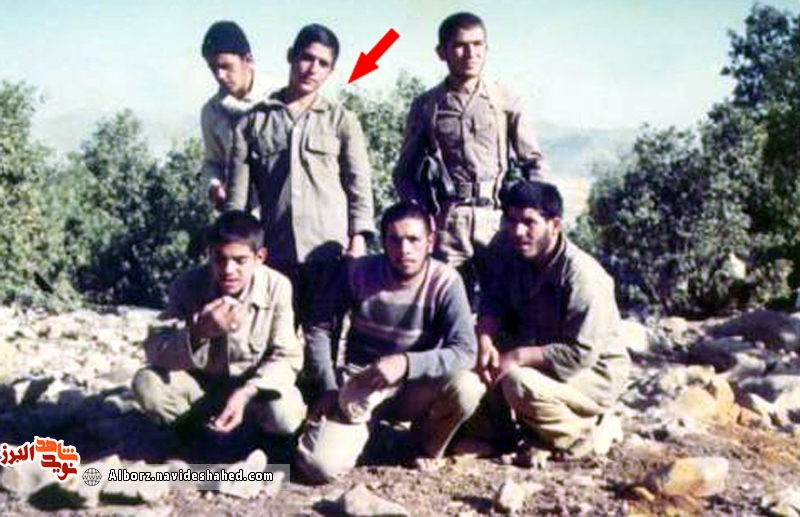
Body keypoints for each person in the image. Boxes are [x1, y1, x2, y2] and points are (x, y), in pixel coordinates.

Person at [294, 202, 483, 483]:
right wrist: (328, 387)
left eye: (413, 239)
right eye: (395, 240)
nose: (404, 249)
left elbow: (465, 351)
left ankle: (422, 447)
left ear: (430, 242)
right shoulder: (358, 272)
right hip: (360, 385)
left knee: (467, 387)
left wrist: (406, 364)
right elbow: (320, 327)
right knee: (318, 466)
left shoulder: (445, 281)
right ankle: (376, 439)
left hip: (414, 387)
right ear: (383, 242)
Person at [458, 180, 630, 461]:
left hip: (591, 371)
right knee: (473, 357)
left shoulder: (583, 277)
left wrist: (517, 357)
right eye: (511, 220)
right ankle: (499, 435)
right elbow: (494, 299)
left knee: (518, 383)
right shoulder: (507, 247)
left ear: (554, 225)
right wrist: (485, 338)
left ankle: (586, 432)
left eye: (529, 222)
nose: (518, 231)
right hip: (539, 351)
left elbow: (581, 353)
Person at [225, 23, 374, 330]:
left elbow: (359, 186)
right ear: (291, 56)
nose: (312, 69)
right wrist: (235, 252)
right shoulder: (252, 122)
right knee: (275, 338)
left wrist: (358, 241)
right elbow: (237, 201)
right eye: (307, 58)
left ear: (331, 71)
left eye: (323, 63)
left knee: (322, 341)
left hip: (328, 253)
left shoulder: (342, 121)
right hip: (276, 253)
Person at [393, 11, 546, 305]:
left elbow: (533, 163)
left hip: (497, 220)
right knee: (447, 306)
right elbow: (404, 174)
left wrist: (527, 216)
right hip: (449, 223)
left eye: (478, 44)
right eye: (460, 46)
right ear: (442, 52)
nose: (471, 54)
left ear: (487, 48)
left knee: (505, 306)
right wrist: (424, 216)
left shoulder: (505, 99)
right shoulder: (427, 105)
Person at [132, 211, 306, 448]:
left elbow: (286, 356)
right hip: (203, 389)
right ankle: (199, 438)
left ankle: (253, 442)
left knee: (284, 411)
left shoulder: (277, 287)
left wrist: (247, 392)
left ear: (259, 257)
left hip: (253, 393)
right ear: (209, 254)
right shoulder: (187, 285)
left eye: (240, 260)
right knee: (148, 384)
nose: (228, 270)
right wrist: (198, 333)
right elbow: (155, 350)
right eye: (219, 259)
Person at [200, 21, 273, 210]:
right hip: (239, 213)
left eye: (226, 66)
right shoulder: (212, 111)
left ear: (248, 60)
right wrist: (214, 186)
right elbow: (213, 162)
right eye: (213, 68)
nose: (220, 75)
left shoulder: (278, 99)